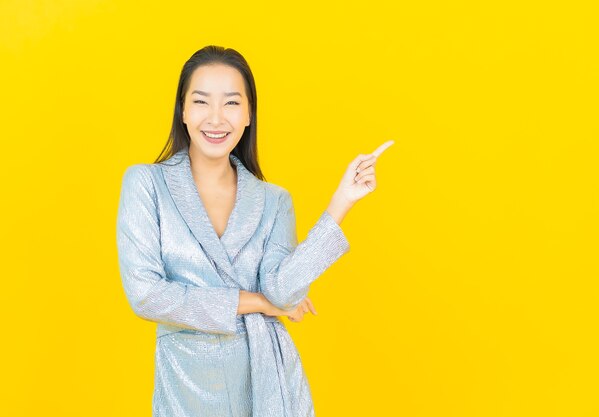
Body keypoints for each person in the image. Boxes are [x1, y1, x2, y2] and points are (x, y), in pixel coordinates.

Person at [115, 45, 393, 417]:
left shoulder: (273, 200)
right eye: (201, 101)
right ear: (183, 110)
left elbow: (282, 289)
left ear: (249, 114)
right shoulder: (147, 184)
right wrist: (260, 303)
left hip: (266, 381)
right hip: (187, 385)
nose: (216, 118)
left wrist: (340, 204)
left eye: (231, 103)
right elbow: (147, 295)